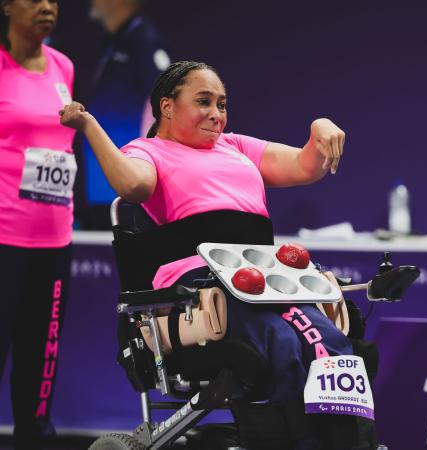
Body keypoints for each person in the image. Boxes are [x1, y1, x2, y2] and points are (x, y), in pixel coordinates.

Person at [60, 60, 354, 446]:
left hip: (265, 282)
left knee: (332, 343)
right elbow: (133, 187)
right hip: (202, 287)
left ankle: (345, 441)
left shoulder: (235, 146)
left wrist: (320, 127)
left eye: (222, 104)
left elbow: (305, 164)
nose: (217, 114)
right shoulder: (148, 151)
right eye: (204, 101)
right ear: (167, 107)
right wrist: (89, 126)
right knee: (280, 342)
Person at [0, 0, 75, 447]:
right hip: (3, 239)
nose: (47, 7)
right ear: (8, 7)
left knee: (39, 362)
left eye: (53, 0)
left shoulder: (64, 67)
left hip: (54, 241)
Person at [80, 0, 170, 227]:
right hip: (103, 189)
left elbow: (167, 101)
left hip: (126, 192)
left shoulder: (143, 39)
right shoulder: (115, 41)